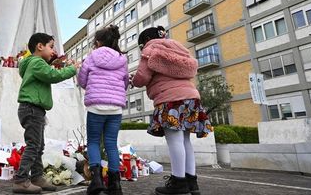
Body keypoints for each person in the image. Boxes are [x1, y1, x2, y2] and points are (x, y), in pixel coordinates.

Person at [132, 26, 212, 195]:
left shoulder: (151, 48)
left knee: (174, 140)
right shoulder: (178, 49)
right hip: (191, 97)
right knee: (185, 141)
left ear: (145, 41)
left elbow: (142, 77)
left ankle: (178, 182)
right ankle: (192, 182)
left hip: (170, 99)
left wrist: (133, 79)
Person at [13, 33, 80, 194]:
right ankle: (21, 180)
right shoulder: (36, 62)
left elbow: (49, 71)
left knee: (38, 146)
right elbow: (53, 75)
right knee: (34, 145)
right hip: (32, 109)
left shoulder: (33, 63)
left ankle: (36, 177)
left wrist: (55, 62)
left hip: (34, 109)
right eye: (51, 46)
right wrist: (73, 69)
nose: (53, 50)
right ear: (39, 46)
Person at [77, 25, 128, 195]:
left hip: (96, 107)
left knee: (93, 142)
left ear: (98, 42)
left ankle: (97, 180)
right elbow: (125, 82)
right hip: (115, 109)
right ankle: (115, 185)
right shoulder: (122, 59)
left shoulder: (91, 57)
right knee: (111, 144)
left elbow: (82, 80)